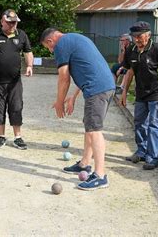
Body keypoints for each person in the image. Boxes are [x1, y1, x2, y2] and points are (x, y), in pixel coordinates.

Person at [39, 28, 115, 191]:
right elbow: (89, 69)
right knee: (90, 126)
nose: (52, 51)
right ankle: (84, 164)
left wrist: (59, 102)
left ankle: (100, 175)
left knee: (94, 130)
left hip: (97, 89)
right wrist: (73, 97)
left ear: (51, 41)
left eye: (48, 47)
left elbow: (64, 77)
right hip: (104, 86)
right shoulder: (76, 39)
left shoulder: (61, 45)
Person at [120, 21, 158, 170]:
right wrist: (124, 92)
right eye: (134, 37)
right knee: (139, 123)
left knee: (154, 124)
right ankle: (141, 152)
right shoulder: (131, 49)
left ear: (148, 35)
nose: (137, 40)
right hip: (141, 93)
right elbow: (130, 71)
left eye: (140, 36)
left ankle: (153, 157)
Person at [0, 9, 34, 150]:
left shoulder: (21, 35)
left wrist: (29, 65)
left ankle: (18, 137)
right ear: (2, 21)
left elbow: (28, 52)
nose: (12, 25)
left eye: (14, 23)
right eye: (9, 22)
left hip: (15, 81)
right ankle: (1, 137)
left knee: (16, 107)